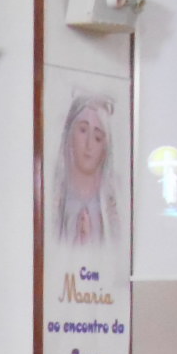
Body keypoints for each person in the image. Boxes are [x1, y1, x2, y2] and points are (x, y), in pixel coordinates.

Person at [54, 94, 120, 247]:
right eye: (83, 130)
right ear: (69, 134)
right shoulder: (54, 196)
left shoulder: (116, 200)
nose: (89, 144)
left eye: (97, 138)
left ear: (105, 149)